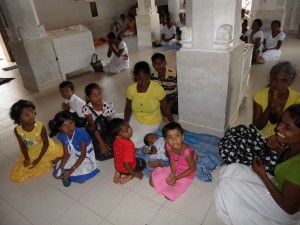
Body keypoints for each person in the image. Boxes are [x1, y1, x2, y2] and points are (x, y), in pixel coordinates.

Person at [215, 104, 300, 225]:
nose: (279, 128)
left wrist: (263, 175)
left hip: (284, 211)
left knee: (226, 185)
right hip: (276, 185)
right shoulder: (292, 145)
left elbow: (290, 209)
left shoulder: (298, 167)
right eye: (281, 122)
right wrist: (276, 148)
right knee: (229, 170)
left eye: (287, 127)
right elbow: (285, 159)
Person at [219, 61, 300, 173]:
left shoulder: (297, 100)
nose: (277, 84)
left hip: (281, 140)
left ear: (290, 82)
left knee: (274, 162)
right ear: (270, 78)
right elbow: (259, 125)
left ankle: (250, 165)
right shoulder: (260, 95)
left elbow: (287, 127)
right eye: (274, 79)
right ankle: (247, 163)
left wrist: (277, 109)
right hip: (259, 135)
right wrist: (269, 106)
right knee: (231, 139)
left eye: (283, 81)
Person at [9, 100, 63, 183]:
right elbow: (23, 146)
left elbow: (46, 144)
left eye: (32, 112)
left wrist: (38, 159)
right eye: (26, 114)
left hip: (47, 149)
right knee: (25, 169)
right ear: (19, 118)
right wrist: (27, 158)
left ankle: (61, 157)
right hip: (34, 152)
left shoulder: (40, 126)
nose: (31, 115)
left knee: (51, 161)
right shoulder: (18, 130)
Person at [124, 61, 174, 148]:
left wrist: (173, 125)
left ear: (149, 76)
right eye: (140, 80)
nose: (143, 83)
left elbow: (166, 108)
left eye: (146, 80)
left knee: (131, 142)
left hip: (151, 122)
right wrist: (126, 123)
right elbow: (128, 108)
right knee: (122, 134)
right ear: (135, 77)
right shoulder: (131, 89)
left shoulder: (157, 89)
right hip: (136, 117)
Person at [49, 111, 99, 185]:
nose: (69, 127)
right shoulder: (62, 136)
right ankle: (66, 170)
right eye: (64, 126)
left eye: (70, 123)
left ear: (74, 123)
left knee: (81, 180)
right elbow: (66, 154)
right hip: (73, 155)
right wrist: (60, 169)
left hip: (86, 157)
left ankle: (70, 172)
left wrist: (71, 170)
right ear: (60, 128)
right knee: (58, 171)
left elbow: (83, 156)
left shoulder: (81, 134)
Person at [149, 122, 197, 201]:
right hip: (174, 167)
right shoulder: (167, 145)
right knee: (152, 183)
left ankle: (172, 184)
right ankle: (164, 179)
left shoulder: (187, 152)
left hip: (186, 173)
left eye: (177, 136)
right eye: (170, 137)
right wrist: (173, 173)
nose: (174, 140)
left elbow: (192, 169)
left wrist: (177, 178)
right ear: (166, 139)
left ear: (182, 136)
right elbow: (171, 159)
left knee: (169, 196)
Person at [82, 83, 115, 160]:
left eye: (99, 93)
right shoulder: (87, 109)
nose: (98, 97)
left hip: (105, 129)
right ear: (88, 98)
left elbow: (110, 124)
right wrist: (101, 143)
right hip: (94, 131)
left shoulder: (108, 105)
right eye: (94, 95)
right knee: (99, 152)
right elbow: (94, 127)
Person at [109, 118, 144, 184]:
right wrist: (135, 174)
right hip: (127, 169)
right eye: (126, 131)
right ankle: (128, 177)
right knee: (142, 163)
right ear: (118, 136)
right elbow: (126, 164)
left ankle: (118, 172)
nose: (130, 130)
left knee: (123, 161)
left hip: (118, 165)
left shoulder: (116, 141)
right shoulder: (128, 146)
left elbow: (120, 152)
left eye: (129, 127)